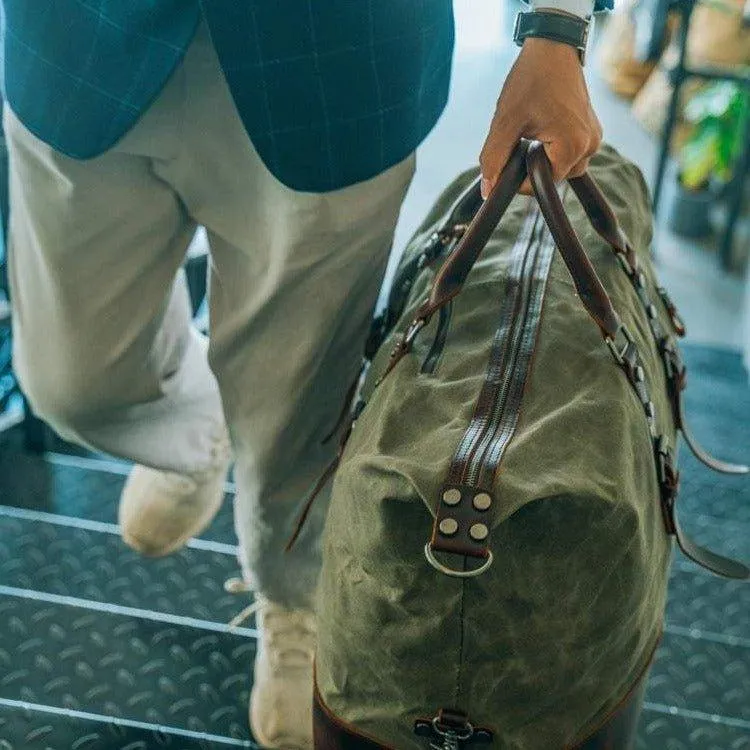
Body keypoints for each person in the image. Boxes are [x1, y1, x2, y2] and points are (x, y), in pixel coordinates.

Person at [1, 1, 608, 747]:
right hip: (79, 38)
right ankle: (196, 432)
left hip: (336, 59)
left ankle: (290, 594)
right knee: (71, 384)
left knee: (295, 400)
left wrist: (556, 25)